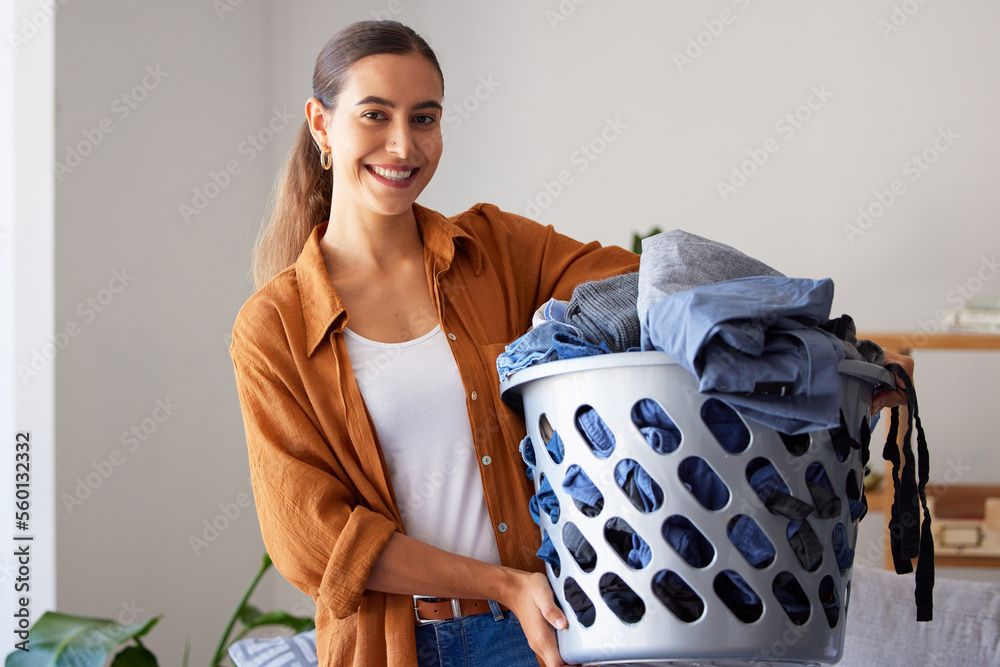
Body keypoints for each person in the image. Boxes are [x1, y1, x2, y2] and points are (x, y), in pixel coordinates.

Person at [229, 19, 914, 667]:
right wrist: (499, 582)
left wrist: (838, 359)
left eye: (425, 117)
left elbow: (660, 292)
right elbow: (315, 540)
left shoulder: (494, 249)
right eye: (374, 114)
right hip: (395, 644)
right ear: (321, 124)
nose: (404, 145)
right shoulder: (275, 327)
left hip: (543, 630)